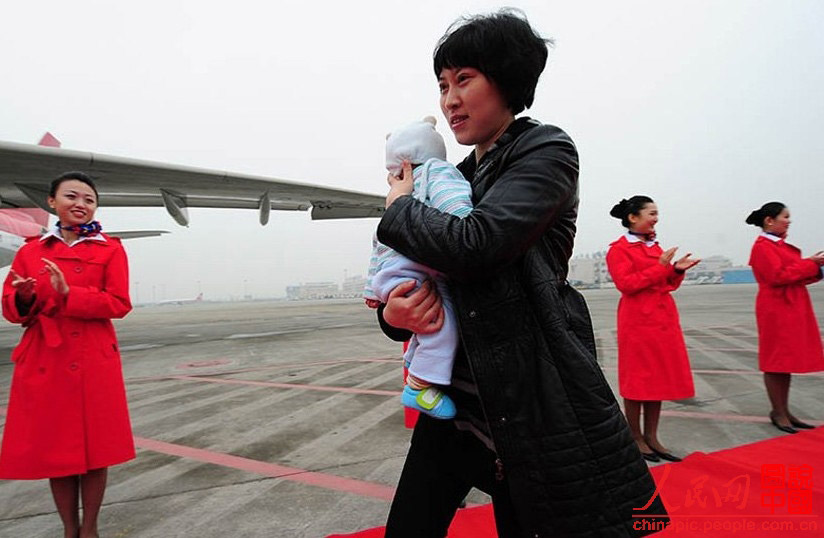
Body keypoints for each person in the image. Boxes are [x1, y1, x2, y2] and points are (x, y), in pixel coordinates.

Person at [375, 10, 668, 537]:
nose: (449, 100)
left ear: (507, 79)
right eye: (442, 85)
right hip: (457, 398)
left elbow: (477, 245)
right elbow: (420, 268)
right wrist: (396, 317)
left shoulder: (545, 150)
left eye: (464, 79)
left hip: (528, 401)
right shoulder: (456, 175)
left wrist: (398, 207)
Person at [0, 171, 134, 538]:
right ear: (52, 203)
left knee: (96, 451)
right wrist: (26, 296)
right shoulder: (30, 251)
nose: (81, 204)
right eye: (72, 196)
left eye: (89, 199)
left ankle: (89, 527)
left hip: (93, 357)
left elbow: (119, 303)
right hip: (47, 360)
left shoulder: (111, 248)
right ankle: (68, 528)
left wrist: (67, 294)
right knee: (58, 453)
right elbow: (11, 310)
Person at [364, 116, 473, 420]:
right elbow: (459, 214)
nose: (451, 101)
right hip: (414, 275)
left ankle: (417, 371)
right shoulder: (439, 173)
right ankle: (418, 385)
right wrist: (388, 315)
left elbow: (378, 242)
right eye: (445, 86)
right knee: (442, 324)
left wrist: (373, 290)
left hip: (393, 277)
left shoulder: (401, 195)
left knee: (432, 325)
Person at [606, 196, 700, 463]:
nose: (656, 218)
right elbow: (627, 284)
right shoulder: (619, 249)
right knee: (638, 381)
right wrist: (661, 269)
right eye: (651, 213)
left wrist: (676, 271)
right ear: (633, 217)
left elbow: (666, 284)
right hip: (637, 320)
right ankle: (635, 437)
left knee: (657, 379)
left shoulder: (654, 246)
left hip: (662, 318)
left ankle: (653, 436)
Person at [746, 202, 824, 434]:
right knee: (776, 361)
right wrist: (810, 263)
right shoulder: (762, 247)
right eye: (785, 216)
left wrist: (814, 267)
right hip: (776, 309)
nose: (788, 221)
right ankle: (778, 412)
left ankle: (784, 410)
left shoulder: (778, 246)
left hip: (791, 306)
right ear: (769, 220)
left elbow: (795, 275)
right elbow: (778, 276)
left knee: (786, 361)